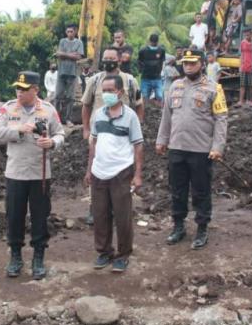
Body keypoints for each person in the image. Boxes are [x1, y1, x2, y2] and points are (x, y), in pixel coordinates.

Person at [0, 71, 65, 280]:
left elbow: (60, 133)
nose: (19, 92)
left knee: (40, 216)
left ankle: (38, 257)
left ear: (35, 90)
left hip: (39, 173)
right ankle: (15, 256)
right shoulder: (7, 108)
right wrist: (20, 130)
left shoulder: (48, 110)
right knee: (14, 216)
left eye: (24, 89)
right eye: (17, 88)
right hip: (15, 173)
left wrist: (52, 142)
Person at [156, 50, 228, 249]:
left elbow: (221, 120)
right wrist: (161, 140)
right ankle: (178, 227)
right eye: (185, 63)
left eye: (192, 63)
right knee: (177, 190)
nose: (188, 66)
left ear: (202, 64)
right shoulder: (175, 86)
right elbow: (167, 116)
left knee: (200, 191)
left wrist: (217, 147)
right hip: (177, 147)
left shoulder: (214, 88)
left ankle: (202, 229)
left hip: (201, 150)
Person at [84, 75, 143, 273]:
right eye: (104, 90)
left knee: (122, 216)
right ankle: (104, 252)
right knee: (100, 215)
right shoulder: (99, 115)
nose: (106, 94)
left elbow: (138, 146)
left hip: (121, 172)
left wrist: (137, 174)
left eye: (110, 90)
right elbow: (93, 143)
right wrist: (89, 169)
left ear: (120, 92)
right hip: (99, 172)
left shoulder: (130, 116)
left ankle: (123, 254)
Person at [82, 47, 144, 225]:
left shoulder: (130, 81)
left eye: (111, 58)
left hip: (122, 136)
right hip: (99, 134)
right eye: (105, 58)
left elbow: (139, 104)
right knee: (96, 169)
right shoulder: (94, 81)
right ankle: (95, 208)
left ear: (119, 60)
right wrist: (86, 128)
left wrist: (137, 124)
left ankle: (120, 208)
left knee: (122, 172)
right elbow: (86, 105)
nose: (108, 61)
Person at [54, 24, 84, 125]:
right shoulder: (62, 41)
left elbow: (78, 57)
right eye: (68, 31)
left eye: (71, 31)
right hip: (61, 72)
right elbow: (58, 54)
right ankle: (56, 118)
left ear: (75, 32)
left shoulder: (79, 42)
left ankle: (68, 119)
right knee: (58, 95)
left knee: (70, 97)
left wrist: (64, 54)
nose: (69, 33)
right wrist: (71, 55)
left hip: (73, 72)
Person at [138, 34, 166, 105]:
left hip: (157, 78)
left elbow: (163, 61)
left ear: (157, 42)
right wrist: (141, 70)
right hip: (145, 78)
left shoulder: (161, 50)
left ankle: (160, 113)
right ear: (150, 41)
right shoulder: (143, 50)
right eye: (153, 42)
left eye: (155, 42)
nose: (154, 43)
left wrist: (160, 71)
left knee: (160, 96)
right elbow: (139, 61)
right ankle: (145, 112)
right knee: (144, 97)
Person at [237, 28, 252, 107]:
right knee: (242, 85)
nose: (246, 36)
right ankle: (241, 101)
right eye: (245, 35)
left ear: (251, 34)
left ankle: (251, 100)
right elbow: (241, 55)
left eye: (248, 35)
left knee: (251, 85)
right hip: (244, 66)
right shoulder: (243, 43)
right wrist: (240, 65)